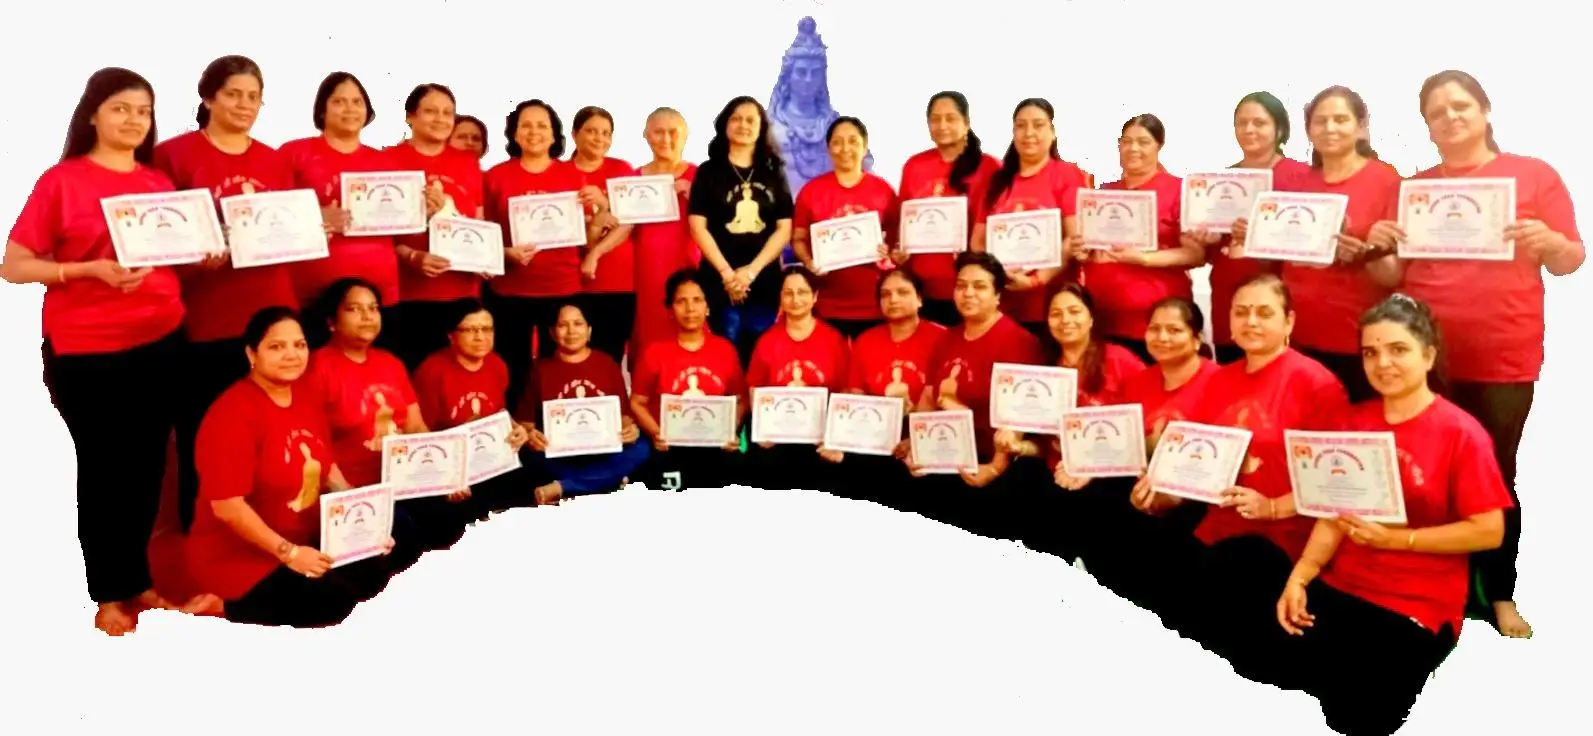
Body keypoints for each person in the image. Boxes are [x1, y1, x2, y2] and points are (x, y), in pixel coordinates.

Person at [1367, 69, 1583, 638]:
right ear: (1427, 126)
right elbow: (1391, 276)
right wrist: (1379, 248)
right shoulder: (1416, 189)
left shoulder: (1532, 175)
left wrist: (1549, 242)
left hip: (1501, 355)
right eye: (1436, 112)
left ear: (1485, 111)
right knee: (1427, 474)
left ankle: (1499, 593)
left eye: (1460, 106)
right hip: (1424, 361)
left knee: (1493, 476)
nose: (1450, 117)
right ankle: (1439, 585)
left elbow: (1570, 259)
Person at [3, 67, 198, 635]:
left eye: (143, 111)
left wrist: (206, 252)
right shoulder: (62, 182)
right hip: (90, 352)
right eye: (121, 108)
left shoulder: (158, 184)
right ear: (93, 114)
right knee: (106, 470)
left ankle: (139, 581)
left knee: (147, 467)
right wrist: (85, 270)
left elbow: (178, 256)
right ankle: (110, 592)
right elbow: (14, 265)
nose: (134, 120)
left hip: (162, 340)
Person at [1275, 294, 1511, 735]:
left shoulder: (1462, 433)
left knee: (1359, 715)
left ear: (1428, 356)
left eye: (1398, 349)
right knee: (1270, 665)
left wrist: (1396, 540)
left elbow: (1489, 531)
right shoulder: (1352, 422)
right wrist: (1300, 578)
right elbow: (1334, 510)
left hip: (1415, 604)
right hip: (1345, 586)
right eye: (1370, 352)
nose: (1382, 363)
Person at [1121, 273, 1348, 679]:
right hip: (1218, 525)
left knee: (1227, 590)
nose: (1251, 321)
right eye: (1241, 312)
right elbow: (1200, 464)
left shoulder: (1316, 383)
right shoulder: (1220, 379)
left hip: (1284, 533)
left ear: (1289, 321)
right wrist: (1163, 497)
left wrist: (1273, 507)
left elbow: (1336, 484)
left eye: (1264, 313)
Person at [154, 54, 298, 533]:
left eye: (253, 97)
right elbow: (158, 235)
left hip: (271, 312)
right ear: (208, 97)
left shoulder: (275, 160)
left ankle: (263, 529)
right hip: (207, 317)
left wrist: (313, 230)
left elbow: (288, 230)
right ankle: (201, 533)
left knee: (267, 428)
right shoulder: (174, 156)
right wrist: (195, 257)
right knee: (203, 430)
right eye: (233, 94)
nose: (244, 104)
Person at [185, 307, 399, 627]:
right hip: (243, 553)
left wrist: (364, 522)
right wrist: (290, 554)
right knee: (331, 603)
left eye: (299, 345)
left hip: (304, 536)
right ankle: (225, 605)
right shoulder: (231, 414)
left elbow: (328, 467)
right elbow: (228, 507)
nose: (291, 355)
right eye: (276, 346)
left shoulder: (306, 396)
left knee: (378, 568)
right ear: (251, 354)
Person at [1237, 86, 1400, 403]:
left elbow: (1395, 275)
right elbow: (1276, 263)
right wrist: (1255, 238)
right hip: (1298, 335)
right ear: (1309, 130)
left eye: (1340, 119)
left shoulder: (1386, 180)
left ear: (1361, 126)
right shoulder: (1297, 184)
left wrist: (1366, 255)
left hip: (1359, 339)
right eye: (1320, 121)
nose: (1330, 128)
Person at [303, 278, 474, 554]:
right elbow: (313, 443)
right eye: (354, 309)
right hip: (353, 492)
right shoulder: (317, 367)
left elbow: (415, 426)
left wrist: (445, 475)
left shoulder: (390, 363)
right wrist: (350, 495)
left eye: (373, 308)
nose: (367, 316)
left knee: (462, 519)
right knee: (406, 536)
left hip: (404, 483)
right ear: (331, 322)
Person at [997, 284, 1144, 559]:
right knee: (1019, 485)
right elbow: (1043, 444)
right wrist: (1017, 444)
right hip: (1056, 470)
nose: (1065, 320)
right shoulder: (1043, 370)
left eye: (1074, 311)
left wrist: (1091, 466)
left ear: (1091, 318)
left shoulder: (1121, 361)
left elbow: (1142, 429)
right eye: (1056, 313)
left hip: (1109, 470)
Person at [914, 251, 1045, 537]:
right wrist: (918, 448)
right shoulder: (947, 338)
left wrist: (995, 468)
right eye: (961, 286)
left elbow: (1020, 418)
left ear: (998, 295)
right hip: (948, 452)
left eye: (980, 286)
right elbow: (929, 396)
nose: (968, 293)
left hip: (993, 461)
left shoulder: (1019, 342)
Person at [483, 100, 585, 410]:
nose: (534, 132)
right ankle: (517, 426)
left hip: (562, 287)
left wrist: (601, 209)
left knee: (560, 367)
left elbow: (588, 233)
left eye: (542, 125)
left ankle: (555, 429)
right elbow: (484, 233)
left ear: (554, 134)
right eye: (525, 125)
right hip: (510, 291)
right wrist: (504, 252)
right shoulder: (495, 177)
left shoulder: (573, 175)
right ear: (514, 133)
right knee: (512, 367)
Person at [1084, 114, 1204, 364]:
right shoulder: (1104, 193)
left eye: (1143, 142)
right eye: (1126, 141)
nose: (1133, 148)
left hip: (1157, 325)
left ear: (1159, 146)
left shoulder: (1179, 191)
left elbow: (1195, 254)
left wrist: (1144, 258)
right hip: (1103, 319)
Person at [687, 96, 796, 365]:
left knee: (760, 355)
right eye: (736, 119)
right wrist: (727, 273)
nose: (743, 125)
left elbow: (784, 228)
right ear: (725, 124)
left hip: (763, 279)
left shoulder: (774, 172)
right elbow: (698, 226)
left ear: (761, 128)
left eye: (750, 120)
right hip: (718, 279)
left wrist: (751, 272)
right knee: (726, 355)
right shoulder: (708, 171)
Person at [1208, 92, 1314, 364]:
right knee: (1232, 377)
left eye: (1259, 122)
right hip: (1228, 297)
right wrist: (1203, 238)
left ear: (1279, 128)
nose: (1249, 129)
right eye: (1241, 123)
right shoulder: (1222, 180)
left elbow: (1309, 239)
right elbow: (1211, 248)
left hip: (1277, 300)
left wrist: (1261, 236)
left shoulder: (1302, 176)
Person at [385, 83, 485, 371]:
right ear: (410, 117)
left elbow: (478, 221)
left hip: (463, 292)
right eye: (430, 111)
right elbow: (375, 232)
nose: (440, 119)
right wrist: (412, 257)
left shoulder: (467, 163)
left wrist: (485, 256)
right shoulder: (387, 160)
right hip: (407, 295)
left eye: (447, 112)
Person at [280, 71, 400, 307]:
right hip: (315, 291)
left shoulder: (386, 162)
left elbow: (404, 221)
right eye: (339, 101)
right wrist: (314, 218)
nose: (350, 109)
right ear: (322, 110)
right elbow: (273, 214)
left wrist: (425, 208)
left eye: (357, 102)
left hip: (379, 291)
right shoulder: (294, 153)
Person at [411, 298, 540, 515]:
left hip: (487, 456)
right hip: (448, 460)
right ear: (451, 335)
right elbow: (421, 434)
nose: (480, 337)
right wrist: (446, 477)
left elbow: (498, 413)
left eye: (487, 329)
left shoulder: (497, 365)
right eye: (470, 330)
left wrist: (516, 428)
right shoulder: (432, 371)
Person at [515, 300, 651, 504]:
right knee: (529, 457)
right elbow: (526, 424)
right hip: (560, 454)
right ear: (552, 333)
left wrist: (630, 431)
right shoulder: (540, 370)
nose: (571, 331)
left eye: (578, 324)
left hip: (603, 451)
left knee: (642, 447)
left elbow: (624, 417)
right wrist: (532, 437)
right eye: (563, 325)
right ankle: (602, 481)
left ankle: (566, 486)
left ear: (589, 330)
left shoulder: (606, 364)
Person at [971, 98, 1085, 339]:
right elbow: (978, 242)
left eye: (1038, 125)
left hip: (1053, 307)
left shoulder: (1067, 174)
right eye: (1021, 126)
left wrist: (1036, 280)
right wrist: (998, 276)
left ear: (1052, 132)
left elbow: (1073, 239)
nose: (1029, 133)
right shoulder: (997, 181)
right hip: (1002, 305)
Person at [832, 269, 946, 508]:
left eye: (902, 292)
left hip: (929, 445)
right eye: (885, 294)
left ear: (920, 299)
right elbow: (857, 397)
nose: (893, 299)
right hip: (877, 447)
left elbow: (947, 401)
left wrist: (914, 439)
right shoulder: (866, 341)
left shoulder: (942, 339)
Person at [630, 269, 748, 491]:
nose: (690, 308)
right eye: (681, 301)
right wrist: (656, 433)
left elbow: (741, 399)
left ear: (708, 307)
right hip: (670, 448)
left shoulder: (725, 350)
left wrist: (731, 430)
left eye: (697, 300)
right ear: (670, 309)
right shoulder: (654, 352)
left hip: (715, 445)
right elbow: (637, 401)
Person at [897, 91, 1001, 326]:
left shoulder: (990, 167)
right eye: (935, 119)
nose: (942, 125)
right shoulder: (914, 166)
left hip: (971, 288)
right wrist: (900, 249)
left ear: (966, 123)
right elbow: (904, 222)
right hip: (923, 288)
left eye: (950, 118)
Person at [789, 116, 899, 339]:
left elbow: (897, 238)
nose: (845, 149)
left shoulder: (883, 190)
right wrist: (809, 262)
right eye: (837, 142)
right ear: (828, 148)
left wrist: (889, 252)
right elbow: (798, 239)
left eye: (853, 141)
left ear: (865, 148)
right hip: (826, 303)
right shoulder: (811, 192)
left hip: (874, 302)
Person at [745, 266, 850, 490]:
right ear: (780, 298)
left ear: (815, 296)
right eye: (788, 293)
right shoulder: (767, 341)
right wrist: (764, 428)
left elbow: (845, 392)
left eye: (802, 292)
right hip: (778, 439)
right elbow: (755, 388)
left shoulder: (833, 340)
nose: (795, 300)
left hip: (821, 439)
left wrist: (834, 437)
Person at [567, 106, 639, 362]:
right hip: (572, 282)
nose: (599, 138)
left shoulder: (622, 169)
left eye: (606, 133)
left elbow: (629, 221)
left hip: (617, 280)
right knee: (572, 356)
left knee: (610, 357)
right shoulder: (560, 172)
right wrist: (597, 223)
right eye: (591, 131)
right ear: (575, 134)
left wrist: (595, 252)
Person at [629, 107, 701, 364]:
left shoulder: (700, 176)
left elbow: (720, 225)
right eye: (658, 132)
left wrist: (695, 197)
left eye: (673, 132)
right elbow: (621, 228)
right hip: (644, 274)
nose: (666, 139)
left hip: (688, 268)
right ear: (646, 135)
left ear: (685, 135)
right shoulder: (632, 180)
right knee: (649, 339)